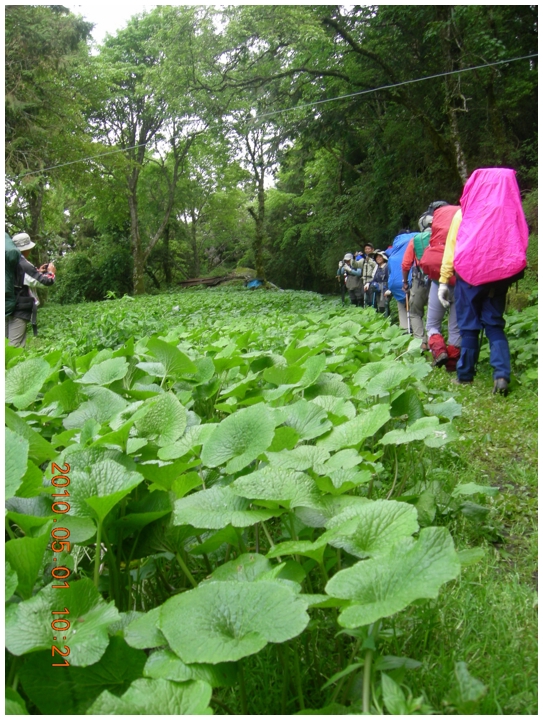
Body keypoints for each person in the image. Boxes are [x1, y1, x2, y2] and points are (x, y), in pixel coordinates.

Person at [438, 168, 528, 396]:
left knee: (469, 327)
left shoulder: (464, 213)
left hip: (469, 276)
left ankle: (465, 375)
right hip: (500, 275)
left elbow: (452, 250)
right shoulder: (510, 211)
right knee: (494, 324)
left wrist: (443, 280)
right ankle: (501, 376)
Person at [419, 205, 462, 370]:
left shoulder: (433, 234)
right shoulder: (461, 218)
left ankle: (439, 351)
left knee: (432, 324)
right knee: (455, 327)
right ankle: (452, 364)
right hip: (459, 281)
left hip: (438, 281)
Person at [5, 232, 56, 347]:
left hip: (7, 306)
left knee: (5, 342)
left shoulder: (8, 262)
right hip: (18, 308)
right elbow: (46, 282)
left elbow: (20, 279)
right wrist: (51, 273)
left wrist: (37, 271)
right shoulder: (23, 264)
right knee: (14, 347)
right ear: (25, 249)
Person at [386, 229, 417, 331]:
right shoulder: (415, 239)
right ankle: (417, 331)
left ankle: (405, 329)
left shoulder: (394, 250)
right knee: (415, 308)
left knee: (402, 306)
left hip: (396, 284)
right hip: (413, 280)